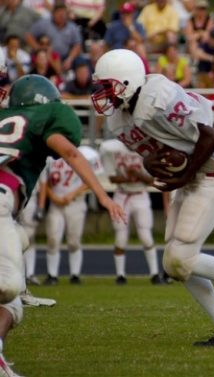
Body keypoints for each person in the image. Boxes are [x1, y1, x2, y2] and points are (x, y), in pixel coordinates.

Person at [91, 49, 214, 346]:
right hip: (191, 177)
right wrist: (151, 164)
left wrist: (185, 174)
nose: (103, 94)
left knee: (181, 257)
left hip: (211, 174)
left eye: (108, 86)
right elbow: (154, 154)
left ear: (128, 81)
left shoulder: (157, 97)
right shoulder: (120, 118)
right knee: (174, 264)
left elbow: (211, 136)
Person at [0, 73, 124, 376]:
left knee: (22, 246)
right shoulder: (44, 118)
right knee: (10, 288)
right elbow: (69, 152)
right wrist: (103, 197)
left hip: (6, 210)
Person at [99, 139, 170, 285]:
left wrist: (137, 173)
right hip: (122, 195)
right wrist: (128, 177)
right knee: (121, 237)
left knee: (146, 236)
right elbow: (112, 178)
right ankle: (120, 275)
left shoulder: (146, 151)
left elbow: (151, 180)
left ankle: (154, 273)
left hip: (140, 195)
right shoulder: (113, 149)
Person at [43, 145, 104, 285]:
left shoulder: (85, 154)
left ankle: (75, 274)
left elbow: (93, 179)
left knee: (74, 241)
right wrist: (52, 196)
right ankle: (52, 275)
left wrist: (73, 193)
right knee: (53, 239)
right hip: (56, 203)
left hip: (76, 202)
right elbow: (43, 181)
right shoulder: (49, 156)